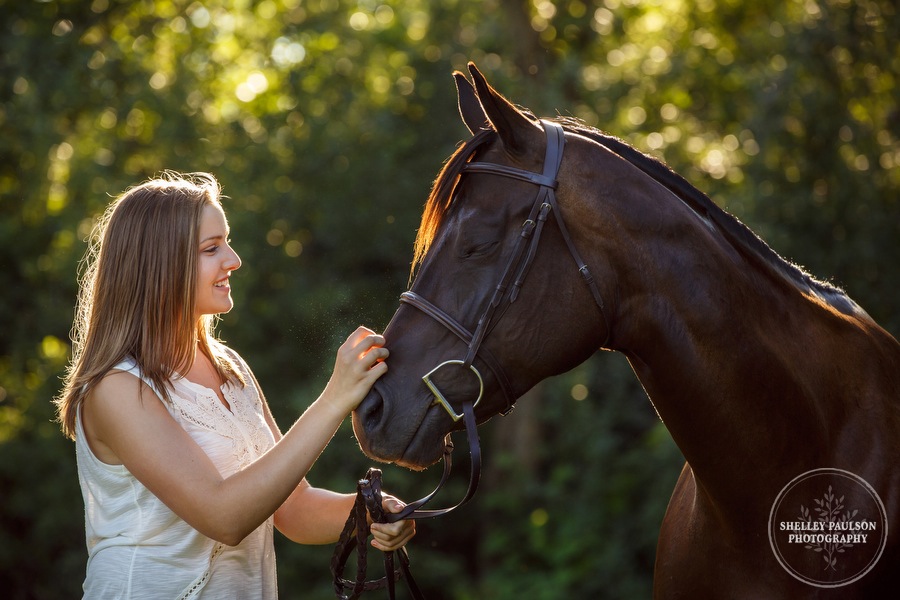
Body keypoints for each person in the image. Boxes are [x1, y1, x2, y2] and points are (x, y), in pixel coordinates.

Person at [54, 171, 414, 598]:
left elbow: (294, 509)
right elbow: (224, 516)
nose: (234, 259)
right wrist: (335, 399)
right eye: (212, 248)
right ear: (159, 264)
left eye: (226, 241)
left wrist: (371, 513)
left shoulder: (230, 368)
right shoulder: (115, 388)